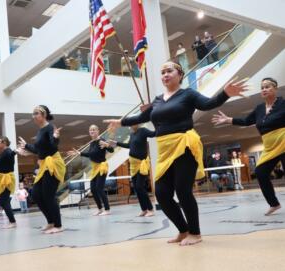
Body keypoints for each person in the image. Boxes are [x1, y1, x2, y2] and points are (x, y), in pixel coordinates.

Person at [104, 61, 248, 246]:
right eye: (162, 72)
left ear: (179, 74)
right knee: (162, 194)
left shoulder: (188, 94)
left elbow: (208, 104)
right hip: (164, 149)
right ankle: (183, 230)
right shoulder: (157, 100)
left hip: (184, 146)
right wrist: (120, 122)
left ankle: (195, 233)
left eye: (169, 70)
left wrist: (226, 93)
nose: (165, 74)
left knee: (183, 191)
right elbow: (141, 118)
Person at [212, 77, 285, 216]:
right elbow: (246, 121)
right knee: (260, 173)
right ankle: (274, 203)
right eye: (262, 87)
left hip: (284, 142)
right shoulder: (259, 109)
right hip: (270, 147)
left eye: (268, 86)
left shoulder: (283, 104)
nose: (264, 89)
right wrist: (229, 120)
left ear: (275, 88)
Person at [18, 105, 66, 234]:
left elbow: (52, 145)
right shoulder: (40, 131)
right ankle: (50, 222)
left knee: (48, 196)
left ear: (44, 115)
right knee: (36, 193)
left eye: (36, 113)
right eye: (33, 114)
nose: (33, 116)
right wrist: (26, 146)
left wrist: (56, 137)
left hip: (53, 164)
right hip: (44, 165)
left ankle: (58, 225)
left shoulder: (50, 127)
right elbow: (40, 150)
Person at [109, 125, 155, 217]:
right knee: (137, 188)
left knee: (140, 187)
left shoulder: (143, 131)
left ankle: (150, 209)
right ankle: (144, 209)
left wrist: (160, 123)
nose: (130, 125)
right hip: (133, 166)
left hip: (141, 164)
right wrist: (116, 143)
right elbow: (129, 145)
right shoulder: (132, 134)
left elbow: (153, 134)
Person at [68, 125, 114, 216]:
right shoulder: (92, 143)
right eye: (90, 130)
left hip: (102, 166)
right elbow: (90, 154)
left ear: (98, 131)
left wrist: (107, 145)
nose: (92, 131)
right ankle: (100, 209)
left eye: (94, 130)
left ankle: (107, 209)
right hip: (95, 168)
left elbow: (111, 150)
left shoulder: (101, 140)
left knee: (99, 189)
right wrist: (79, 153)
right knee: (93, 189)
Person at [0, 136, 19, 229]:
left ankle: (12, 222)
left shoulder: (7, 151)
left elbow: (11, 154)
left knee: (3, 201)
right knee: (4, 201)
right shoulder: (2, 153)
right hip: (2, 180)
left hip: (6, 179)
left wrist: (15, 152)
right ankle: (12, 221)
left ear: (4, 142)